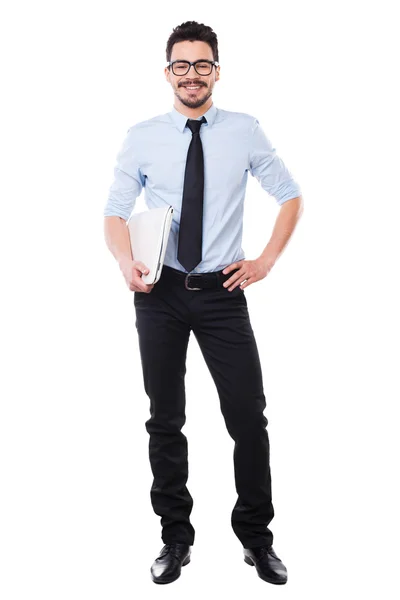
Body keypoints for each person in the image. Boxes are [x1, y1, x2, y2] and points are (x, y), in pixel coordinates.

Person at [103, 20, 303, 586]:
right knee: (165, 419)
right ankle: (175, 538)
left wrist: (265, 260)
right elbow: (114, 211)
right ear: (168, 71)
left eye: (203, 64)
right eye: (181, 65)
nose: (192, 75)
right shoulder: (142, 135)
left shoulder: (244, 130)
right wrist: (125, 262)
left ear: (217, 69)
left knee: (248, 418)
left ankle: (257, 540)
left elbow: (289, 196)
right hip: (159, 291)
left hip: (222, 292)